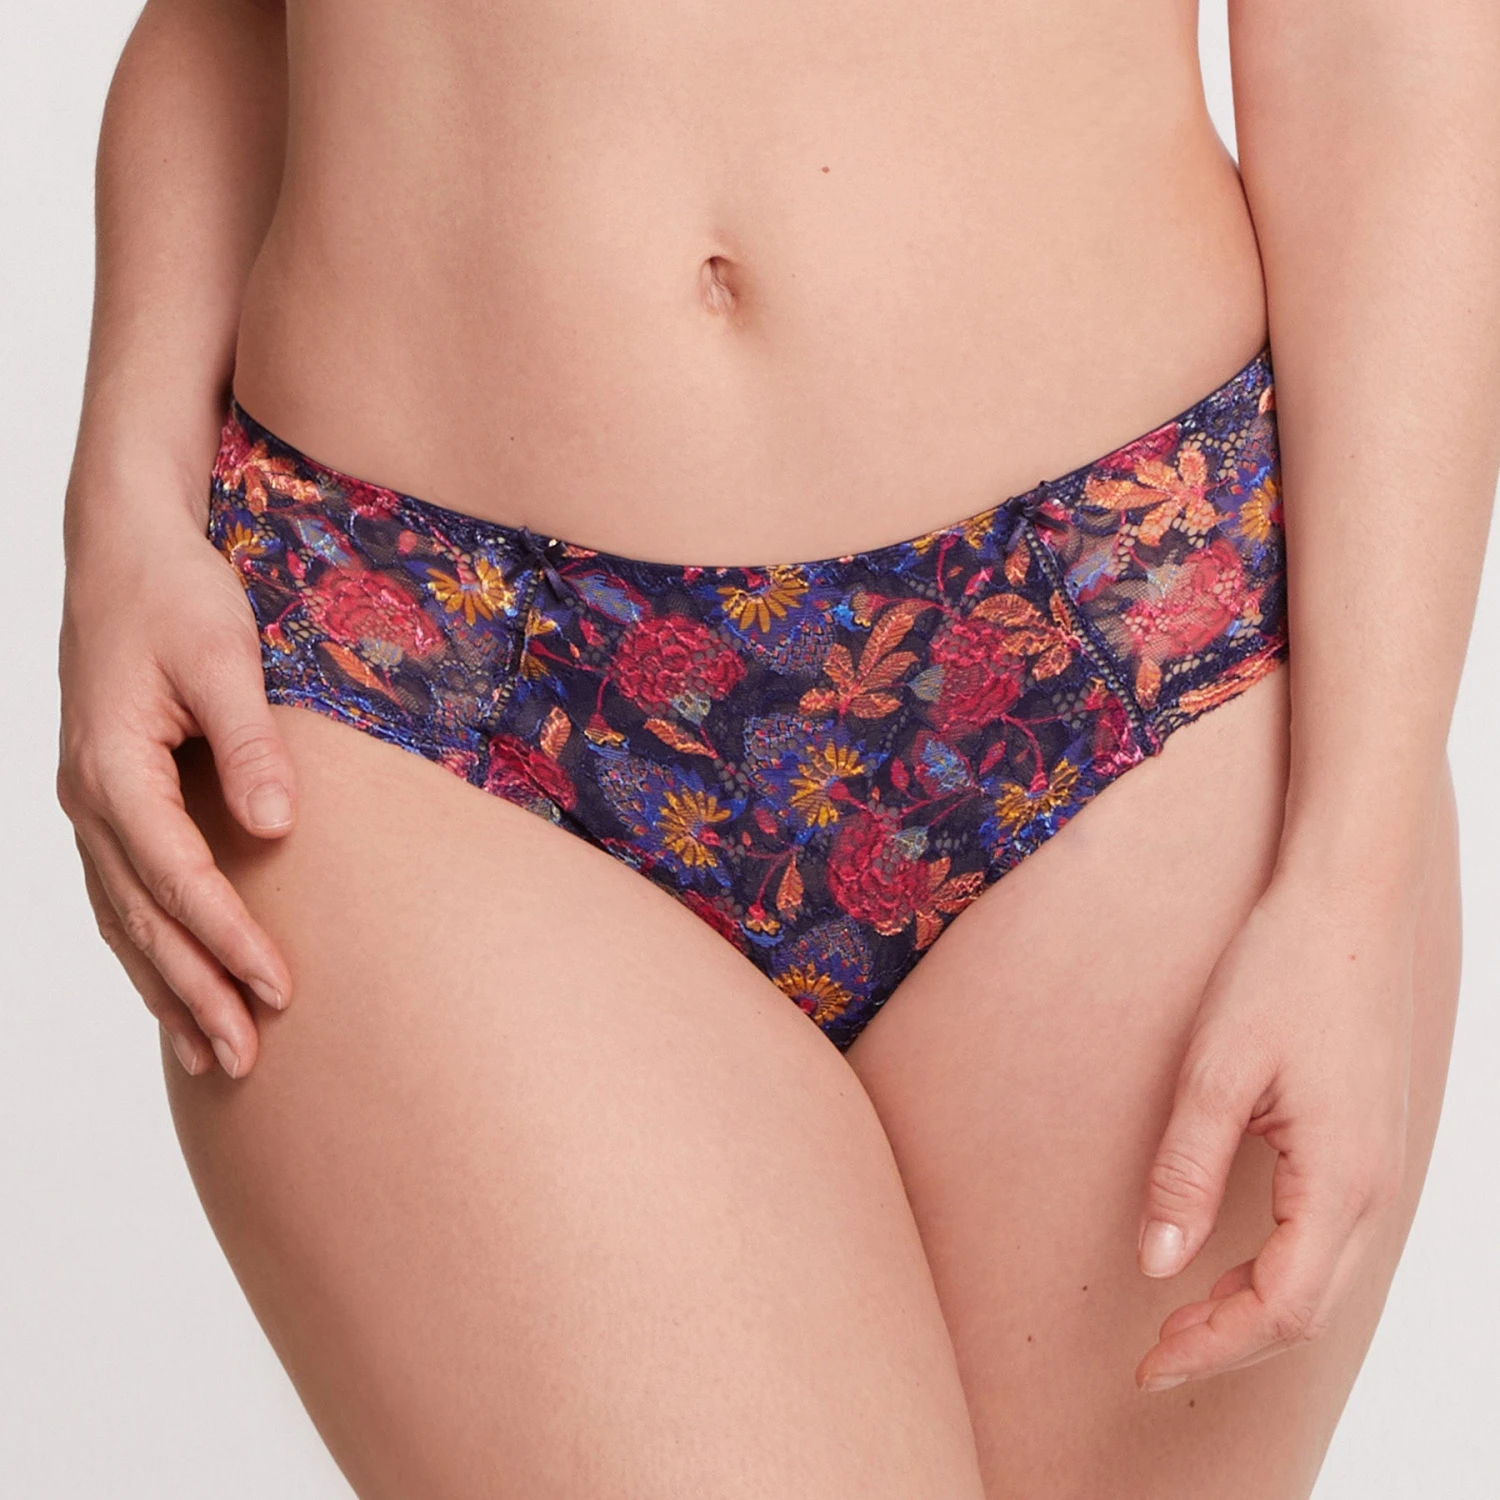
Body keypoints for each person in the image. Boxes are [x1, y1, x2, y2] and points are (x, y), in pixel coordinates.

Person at [55, 0, 1499, 1494]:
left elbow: (1382, 41)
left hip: (1123, 641)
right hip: (413, 665)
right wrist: (125, 490)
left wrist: (1351, 871)